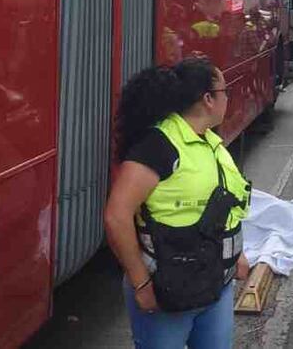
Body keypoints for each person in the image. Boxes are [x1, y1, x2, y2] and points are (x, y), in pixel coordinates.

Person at [104, 58, 251, 348]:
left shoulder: (209, 141)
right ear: (208, 99)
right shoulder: (158, 146)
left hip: (216, 284)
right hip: (168, 290)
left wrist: (237, 255)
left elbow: (222, 207)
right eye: (225, 92)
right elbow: (116, 216)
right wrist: (141, 282)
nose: (228, 98)